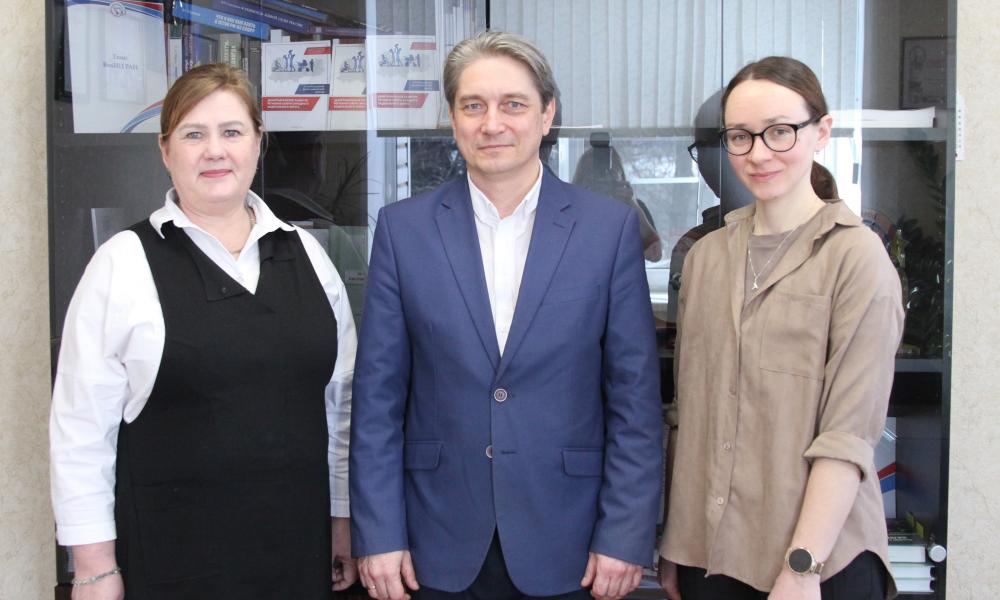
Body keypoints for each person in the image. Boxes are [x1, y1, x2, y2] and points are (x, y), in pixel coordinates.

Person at [350, 31, 663, 600]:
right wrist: (379, 534)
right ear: (453, 119)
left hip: (571, 540)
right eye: (473, 105)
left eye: (513, 104)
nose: (492, 123)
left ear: (547, 114)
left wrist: (625, 534)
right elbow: (377, 401)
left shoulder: (607, 230)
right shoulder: (403, 230)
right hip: (432, 541)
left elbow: (634, 401)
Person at [49, 63, 357, 600]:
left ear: (258, 142)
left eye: (231, 132)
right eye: (194, 135)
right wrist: (94, 569)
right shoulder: (122, 263)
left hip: (299, 556)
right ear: (165, 150)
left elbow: (342, 407)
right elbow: (80, 432)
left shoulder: (309, 254)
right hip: (173, 564)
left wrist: (342, 522)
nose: (215, 151)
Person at [658, 56, 903, 600]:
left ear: (822, 132)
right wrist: (677, 540)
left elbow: (847, 436)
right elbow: (689, 416)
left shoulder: (856, 258)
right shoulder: (706, 258)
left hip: (820, 562)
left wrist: (801, 566)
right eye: (740, 136)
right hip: (709, 554)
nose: (758, 153)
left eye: (779, 131)